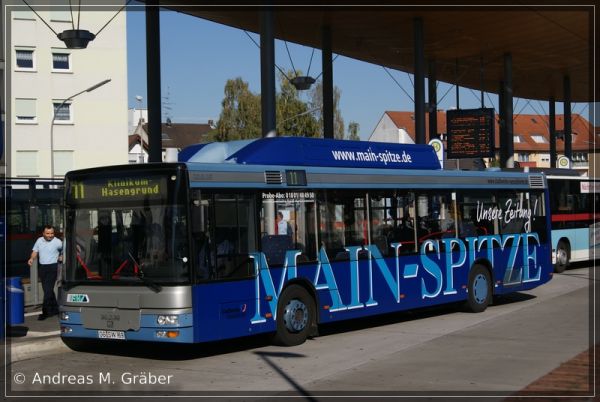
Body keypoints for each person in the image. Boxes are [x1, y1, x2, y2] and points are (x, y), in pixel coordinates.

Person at [28, 225, 63, 320]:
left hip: (53, 267)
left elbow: (65, 251)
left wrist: (62, 256)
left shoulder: (58, 242)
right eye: (48, 233)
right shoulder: (39, 240)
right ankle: (56, 309)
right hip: (43, 268)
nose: (50, 235)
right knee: (48, 290)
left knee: (48, 290)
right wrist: (31, 258)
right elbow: (35, 251)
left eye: (52, 233)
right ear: (43, 233)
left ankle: (45, 312)